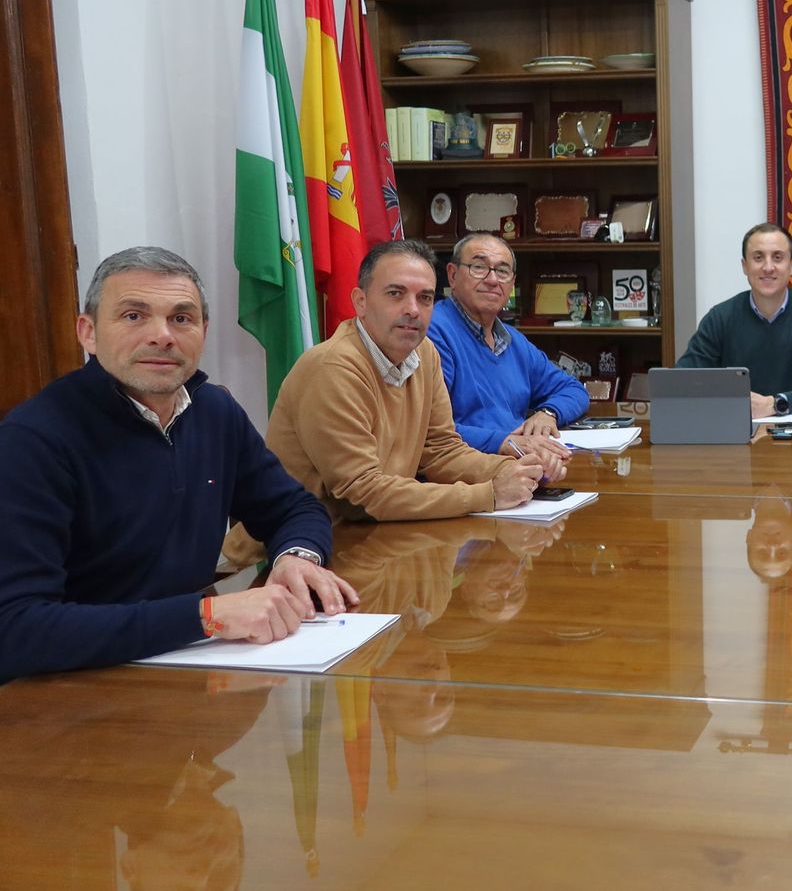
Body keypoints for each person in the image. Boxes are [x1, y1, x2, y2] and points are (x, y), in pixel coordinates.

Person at [0, 247, 356, 684]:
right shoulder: (35, 438)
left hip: (184, 669)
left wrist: (296, 557)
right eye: (133, 316)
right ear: (88, 332)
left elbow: (294, 508)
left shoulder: (214, 411)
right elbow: (17, 629)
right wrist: (203, 616)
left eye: (182, 318)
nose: (162, 336)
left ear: (204, 331)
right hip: (72, 695)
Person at [268, 240, 569, 523]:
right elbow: (361, 495)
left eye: (425, 298)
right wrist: (488, 493)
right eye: (395, 294)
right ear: (360, 302)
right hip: (294, 554)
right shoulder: (333, 367)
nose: (413, 309)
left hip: (373, 541)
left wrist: (518, 468)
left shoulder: (423, 352)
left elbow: (441, 452)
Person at [428, 232, 589, 453]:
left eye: (502, 271)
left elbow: (573, 389)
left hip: (518, 464)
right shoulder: (433, 332)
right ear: (453, 275)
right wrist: (507, 442)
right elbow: (431, 431)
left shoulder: (512, 341)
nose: (493, 280)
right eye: (479, 267)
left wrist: (549, 413)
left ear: (512, 283)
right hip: (464, 476)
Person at [677, 222, 792, 418]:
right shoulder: (720, 317)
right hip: (735, 434)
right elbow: (684, 381)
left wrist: (774, 404)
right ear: (745, 266)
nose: (768, 267)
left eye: (777, 257)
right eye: (758, 258)